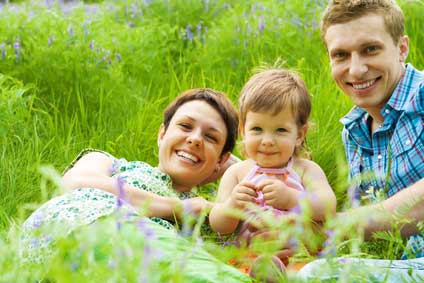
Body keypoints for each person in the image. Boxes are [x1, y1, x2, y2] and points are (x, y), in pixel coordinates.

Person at [20, 88, 251, 283]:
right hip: (88, 230)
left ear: (222, 159)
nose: (195, 139)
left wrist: (230, 167)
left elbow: (262, 175)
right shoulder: (111, 163)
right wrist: (180, 208)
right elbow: (74, 182)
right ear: (162, 134)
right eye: (185, 126)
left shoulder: (215, 217)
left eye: (211, 137)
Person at [298, 0, 424, 281]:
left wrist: (337, 226)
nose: (355, 70)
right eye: (341, 55)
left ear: (402, 48)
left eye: (370, 49)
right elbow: (370, 229)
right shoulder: (353, 132)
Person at [209, 69, 336, 278]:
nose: (267, 140)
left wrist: (291, 198)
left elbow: (327, 205)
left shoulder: (304, 169)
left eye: (280, 130)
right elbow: (218, 225)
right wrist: (233, 205)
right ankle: (264, 272)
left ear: (299, 134)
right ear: (243, 130)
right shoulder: (237, 172)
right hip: (249, 254)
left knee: (311, 273)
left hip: (298, 253)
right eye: (257, 129)